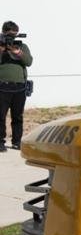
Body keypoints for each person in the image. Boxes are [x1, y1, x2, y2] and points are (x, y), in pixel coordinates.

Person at [0, 21, 33, 152]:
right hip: (2, 86)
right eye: (8, 35)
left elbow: (29, 62)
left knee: (18, 116)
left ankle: (17, 141)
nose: (10, 39)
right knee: (0, 116)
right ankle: (0, 142)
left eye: (13, 36)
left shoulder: (21, 46)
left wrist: (18, 52)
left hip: (19, 87)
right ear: (3, 33)